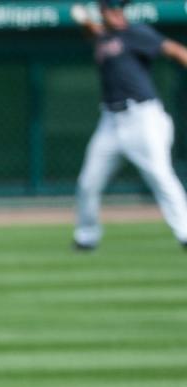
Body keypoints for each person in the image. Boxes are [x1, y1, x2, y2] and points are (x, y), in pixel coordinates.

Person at [70, 0, 187, 250]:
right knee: (88, 182)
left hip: (142, 117)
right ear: (103, 12)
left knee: (160, 176)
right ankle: (86, 237)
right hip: (110, 121)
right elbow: (92, 32)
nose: (118, 12)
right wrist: (84, 20)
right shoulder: (102, 36)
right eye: (112, 8)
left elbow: (176, 51)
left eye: (120, 8)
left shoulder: (136, 33)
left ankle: (185, 232)